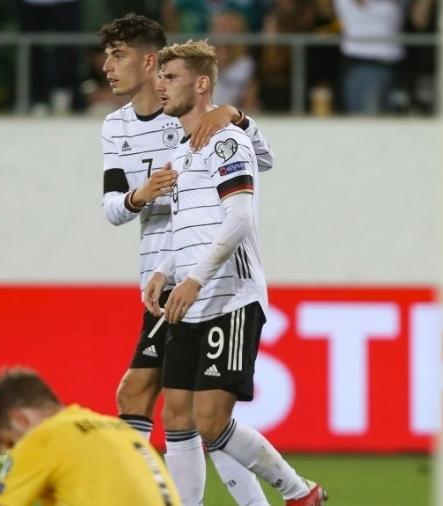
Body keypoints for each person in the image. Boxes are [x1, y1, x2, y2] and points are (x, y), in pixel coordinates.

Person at [98, 13, 274, 505]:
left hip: (193, 277)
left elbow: (260, 160)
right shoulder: (115, 127)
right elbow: (112, 209)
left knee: (153, 401)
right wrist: (139, 196)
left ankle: (140, 497)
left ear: (150, 61)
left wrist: (234, 115)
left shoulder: (189, 119)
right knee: (192, 415)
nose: (107, 67)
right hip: (159, 275)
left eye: (118, 55)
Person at [147, 39, 327, 506]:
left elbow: (239, 217)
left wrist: (194, 279)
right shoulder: (182, 151)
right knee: (177, 416)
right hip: (187, 299)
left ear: (202, 83)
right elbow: (191, 224)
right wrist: (164, 270)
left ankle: (298, 491)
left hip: (230, 296)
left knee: (210, 421)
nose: (160, 87)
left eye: (171, 78)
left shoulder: (225, 139)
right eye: (160, 77)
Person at [0, 367, 182, 506]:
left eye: (11, 444)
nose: (16, 451)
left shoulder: (43, 437)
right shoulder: (117, 428)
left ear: (19, 419)